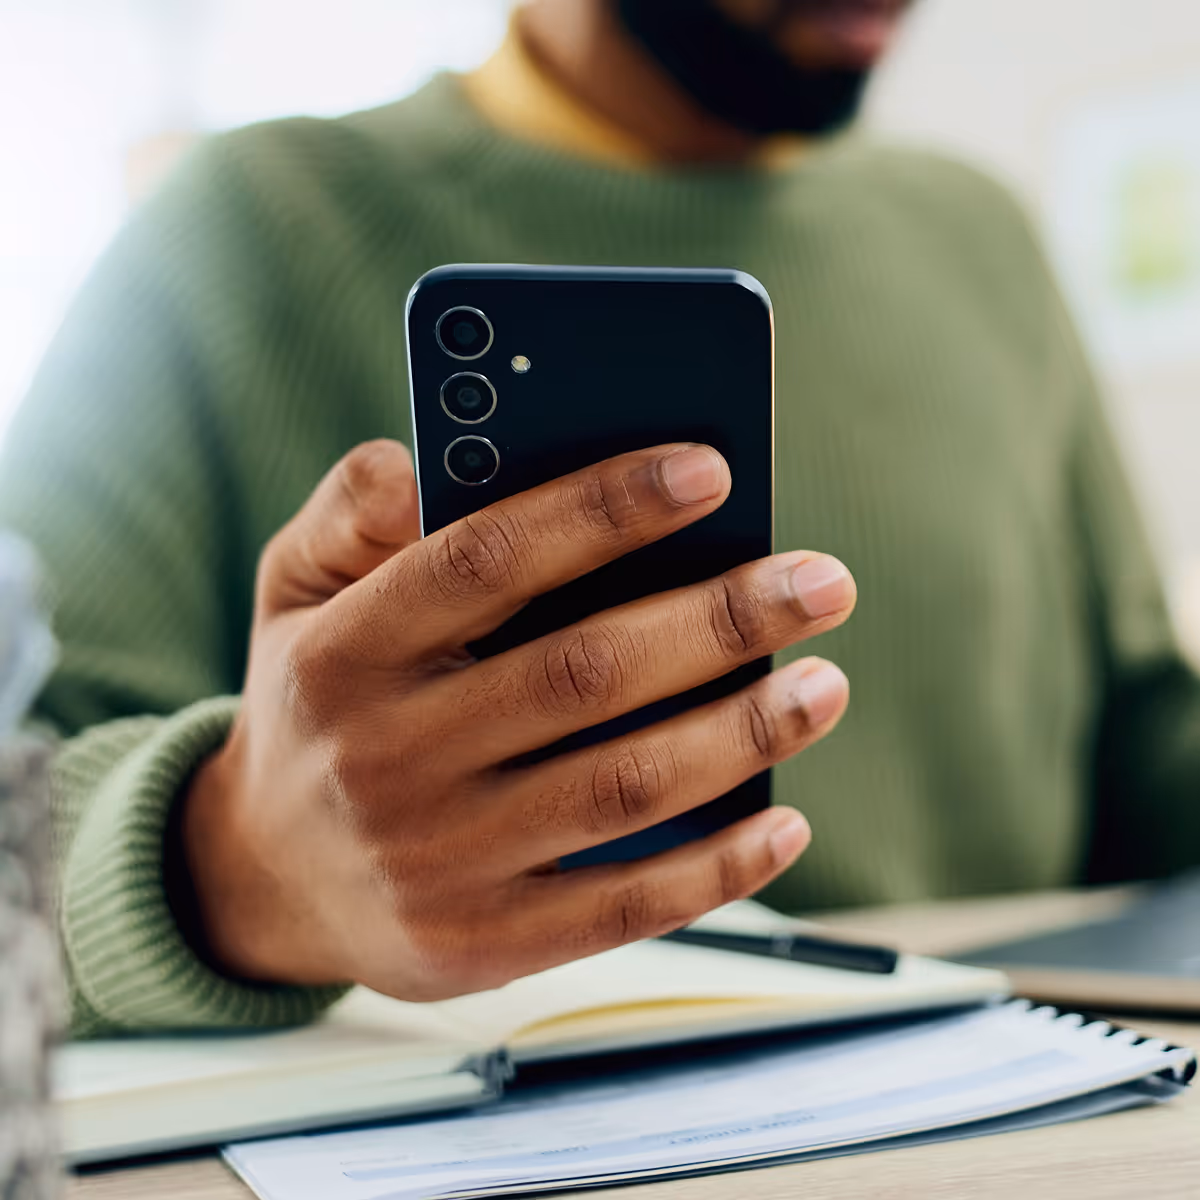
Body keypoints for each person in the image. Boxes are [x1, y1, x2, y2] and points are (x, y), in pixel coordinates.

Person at [3, 0, 1198, 1038]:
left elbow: (1143, 742)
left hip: (1005, 1120)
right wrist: (233, 866)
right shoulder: (241, 231)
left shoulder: (980, 232)